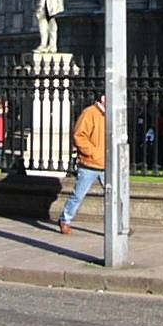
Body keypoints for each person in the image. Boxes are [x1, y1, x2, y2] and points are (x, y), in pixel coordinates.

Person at [57, 92, 106, 236]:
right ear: (103, 98)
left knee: (114, 196)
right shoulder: (89, 113)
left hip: (107, 163)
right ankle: (65, 219)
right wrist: (93, 153)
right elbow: (79, 136)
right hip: (90, 163)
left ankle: (118, 225)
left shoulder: (111, 114)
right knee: (78, 194)